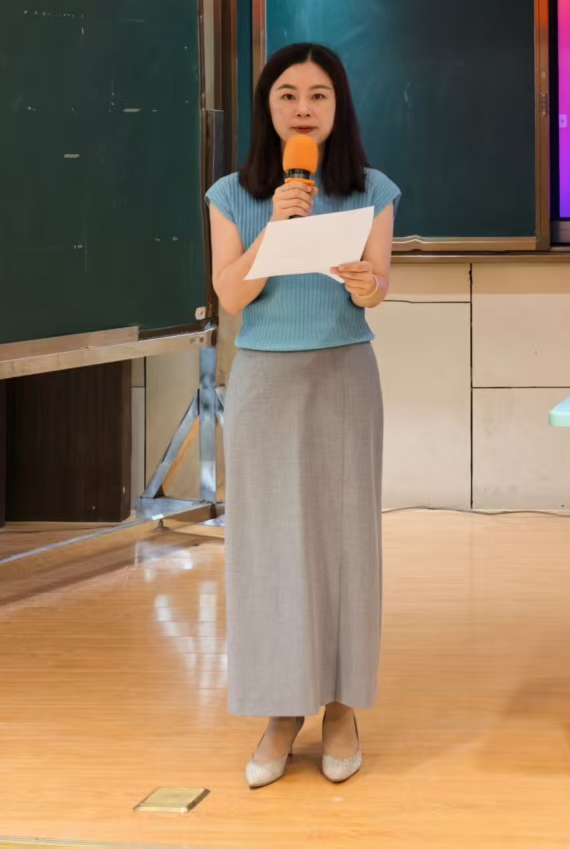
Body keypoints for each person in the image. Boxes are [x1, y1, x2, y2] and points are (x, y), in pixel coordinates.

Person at [205, 42, 400, 789]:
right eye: (287, 94)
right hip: (264, 382)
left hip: (343, 375)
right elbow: (231, 297)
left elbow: (376, 290)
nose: (303, 108)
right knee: (269, 547)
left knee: (346, 543)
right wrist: (276, 232)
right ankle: (280, 712)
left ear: (338, 106)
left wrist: (366, 282)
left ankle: (342, 708)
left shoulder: (371, 189)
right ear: (268, 107)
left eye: (318, 95)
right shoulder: (232, 194)